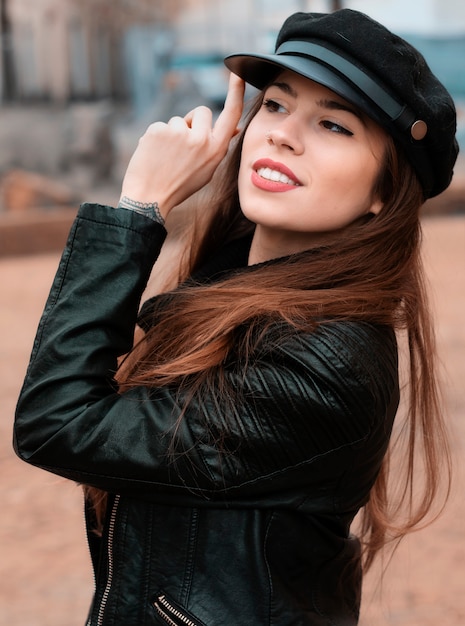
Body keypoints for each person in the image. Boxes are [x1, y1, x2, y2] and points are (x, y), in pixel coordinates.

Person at [14, 9, 458, 626]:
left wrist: (138, 208)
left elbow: (59, 422)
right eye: (275, 105)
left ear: (384, 191)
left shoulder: (325, 367)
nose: (282, 134)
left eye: (333, 124)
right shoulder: (229, 288)